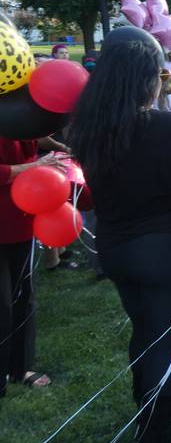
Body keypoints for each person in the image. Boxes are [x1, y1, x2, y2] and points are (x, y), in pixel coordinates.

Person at [68, 31, 171, 441]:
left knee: (145, 327)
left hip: (116, 246)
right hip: (164, 247)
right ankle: (155, 427)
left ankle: (151, 399)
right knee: (163, 336)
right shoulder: (167, 127)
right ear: (146, 78)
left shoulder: (86, 128)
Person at [0, 140, 65, 398]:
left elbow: (30, 142)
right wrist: (34, 166)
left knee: (23, 295)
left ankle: (20, 367)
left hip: (20, 218)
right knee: (2, 302)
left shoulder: (17, 110)